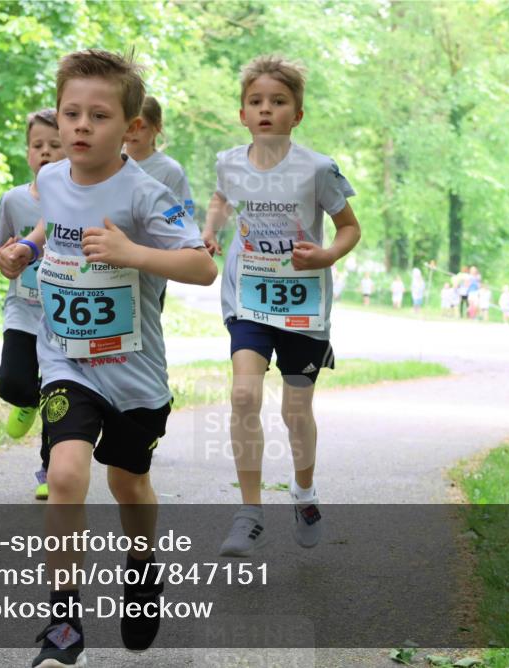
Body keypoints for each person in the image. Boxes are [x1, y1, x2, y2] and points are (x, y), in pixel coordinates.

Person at [0, 49, 217, 666]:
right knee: (65, 474)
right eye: (71, 114)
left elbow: (202, 265)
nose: (81, 126)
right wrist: (23, 252)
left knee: (129, 483)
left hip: (134, 374)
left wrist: (132, 252)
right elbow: (50, 227)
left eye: (99, 115)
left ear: (131, 127)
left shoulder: (146, 193)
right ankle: (62, 627)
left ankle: (142, 569)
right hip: (66, 359)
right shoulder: (50, 180)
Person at [200, 55, 360, 558]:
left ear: (298, 114)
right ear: (243, 113)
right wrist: (210, 230)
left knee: (296, 410)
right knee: (244, 397)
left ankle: (304, 491)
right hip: (248, 296)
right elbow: (222, 199)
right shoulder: (229, 161)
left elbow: (349, 227)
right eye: (256, 102)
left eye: (278, 101)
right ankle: (249, 512)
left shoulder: (317, 168)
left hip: (302, 304)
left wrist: (328, 254)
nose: (266, 109)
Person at [0, 109, 65, 501]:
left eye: (55, 145)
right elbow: (3, 246)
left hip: (63, 317)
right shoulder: (13, 200)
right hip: (22, 308)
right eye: (39, 145)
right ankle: (26, 400)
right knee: (14, 382)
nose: (47, 153)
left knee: (59, 396)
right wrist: (1, 259)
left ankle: (49, 470)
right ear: (28, 153)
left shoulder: (80, 200)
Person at [124, 95, 195, 309]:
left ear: (157, 128)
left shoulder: (170, 170)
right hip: (111, 261)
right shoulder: (109, 161)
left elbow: (183, 215)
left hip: (152, 265)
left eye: (142, 127)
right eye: (130, 126)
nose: (134, 132)